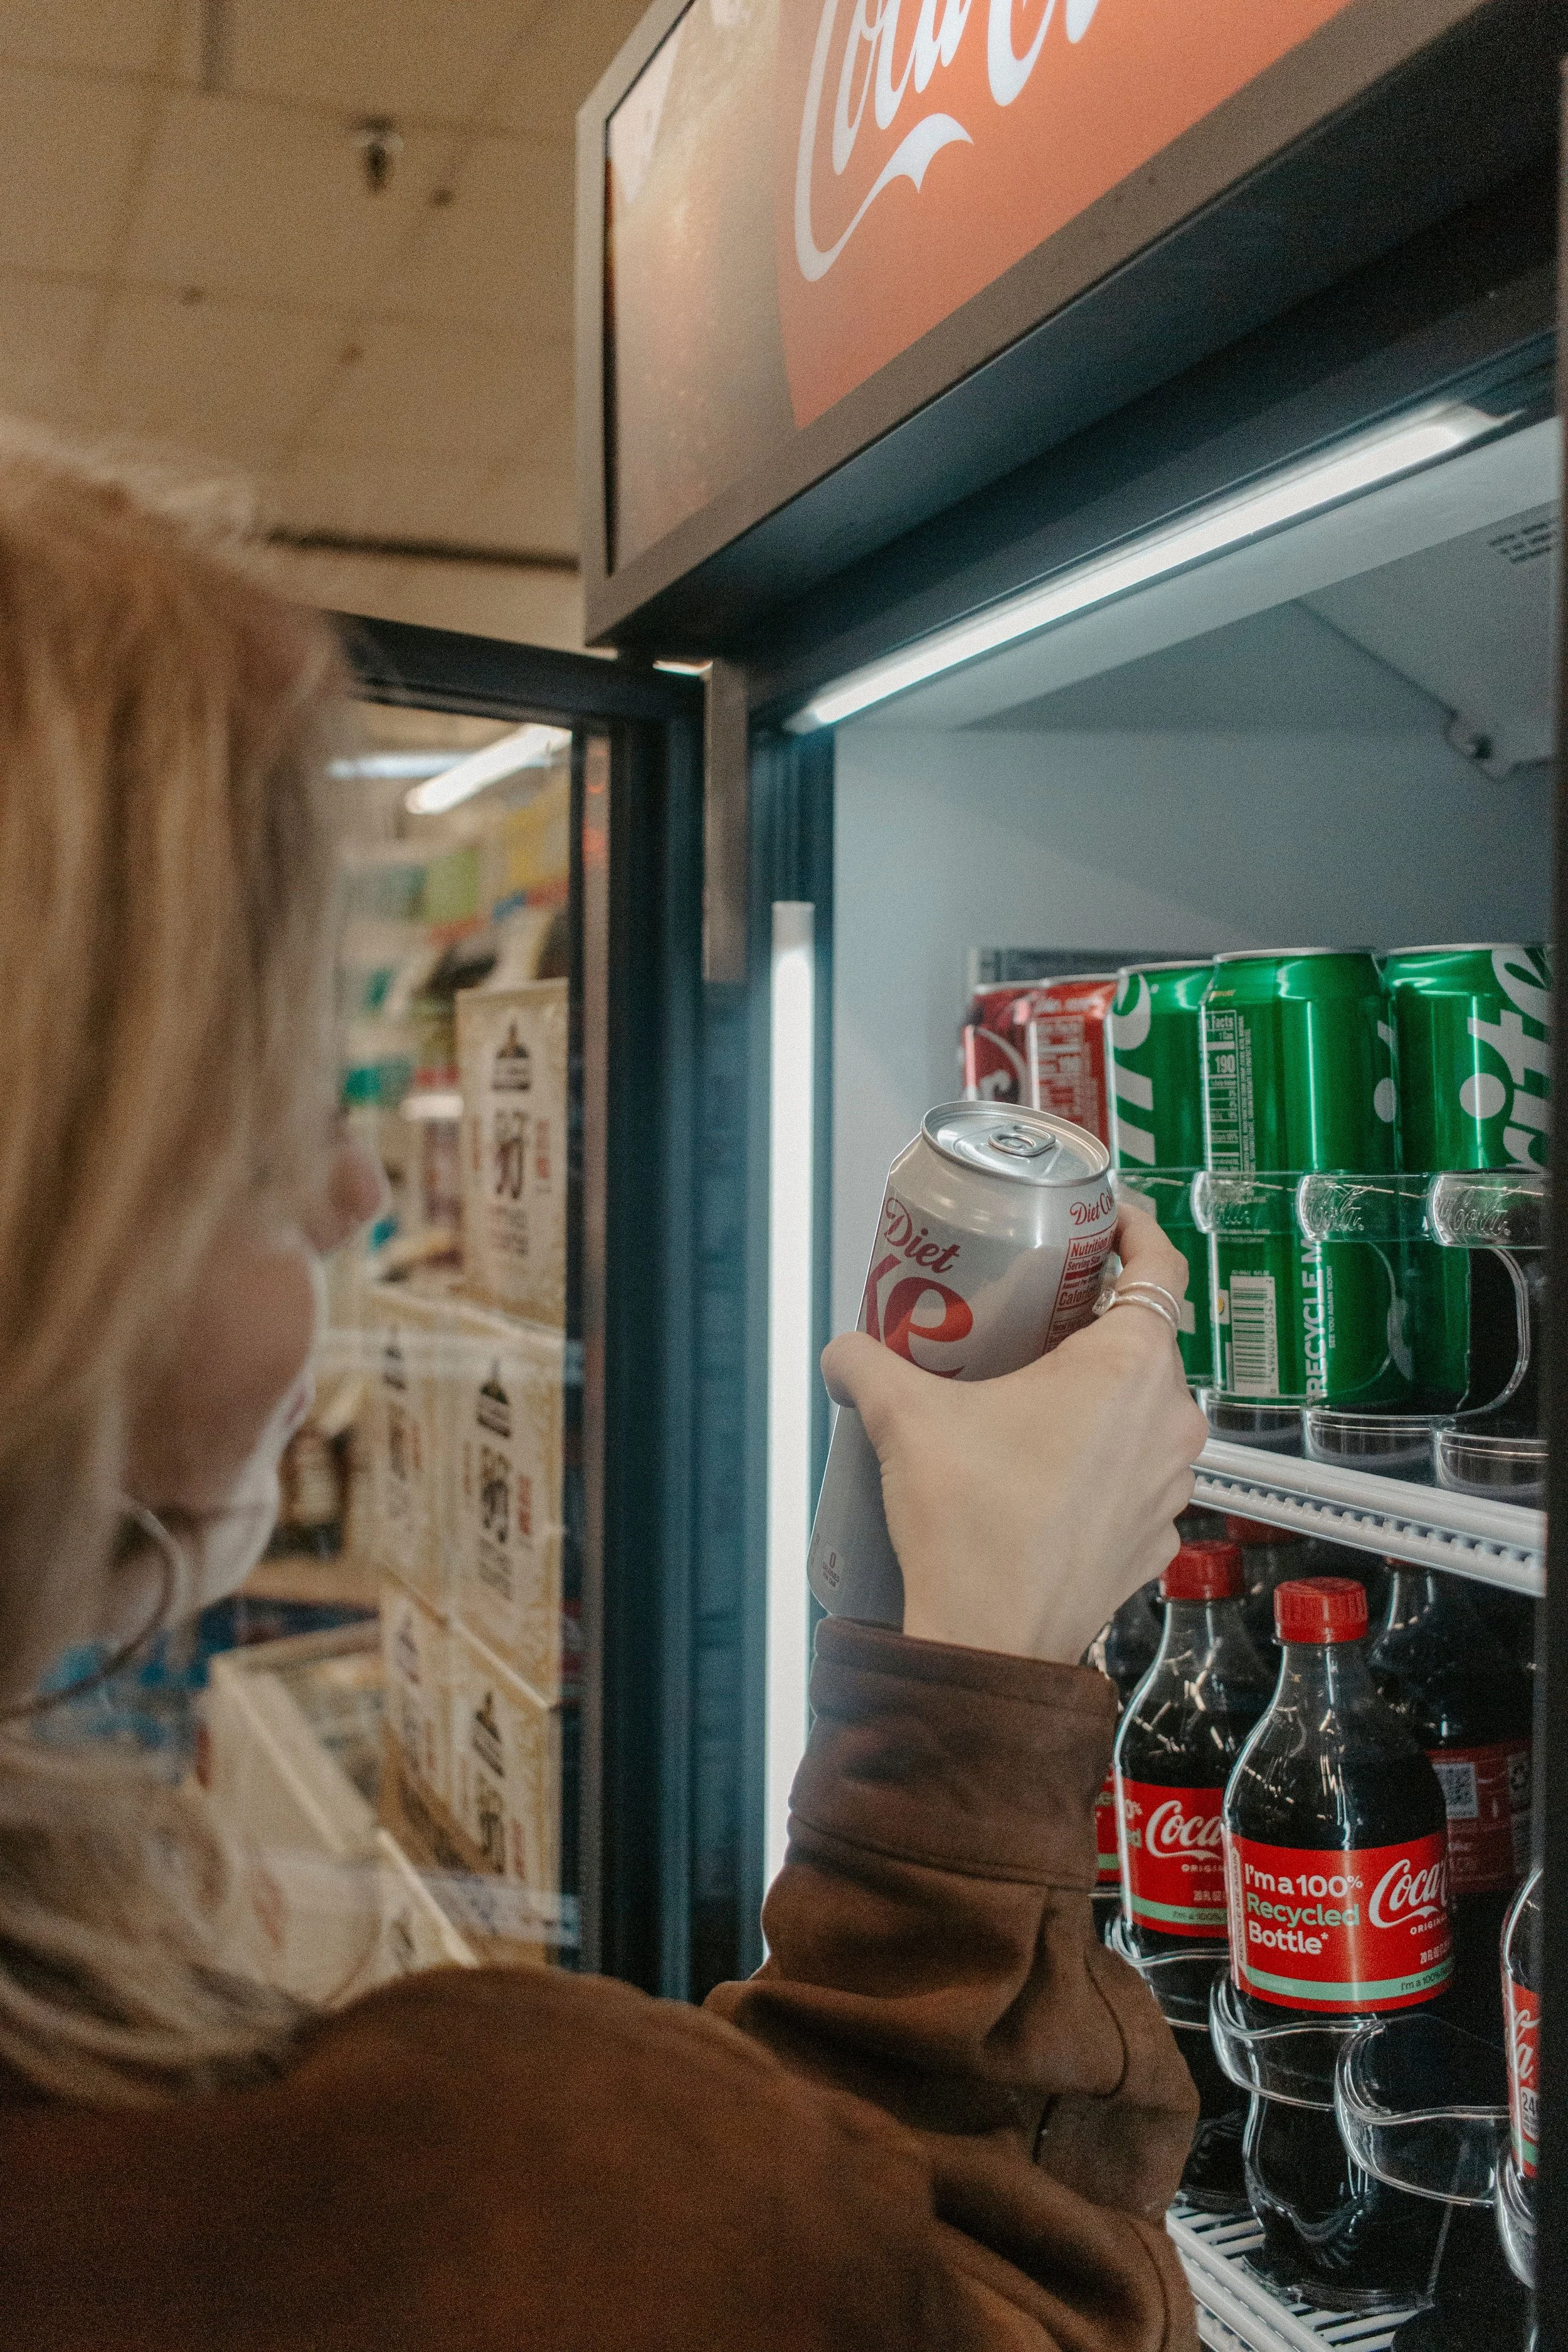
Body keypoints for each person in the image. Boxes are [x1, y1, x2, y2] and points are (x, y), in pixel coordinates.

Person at [0, 431, 1208, 2351]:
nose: (359, 1188)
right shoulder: (422, 2196)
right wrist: (985, 1674)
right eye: (279, 1096)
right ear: (53, 1210)